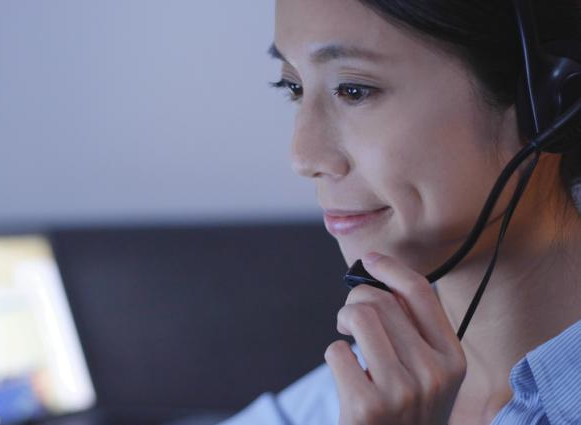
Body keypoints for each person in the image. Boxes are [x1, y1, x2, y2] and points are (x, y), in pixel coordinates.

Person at [219, 0, 581, 424]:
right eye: (293, 87)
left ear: (553, 103)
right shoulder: (340, 401)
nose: (303, 156)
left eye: (354, 90)